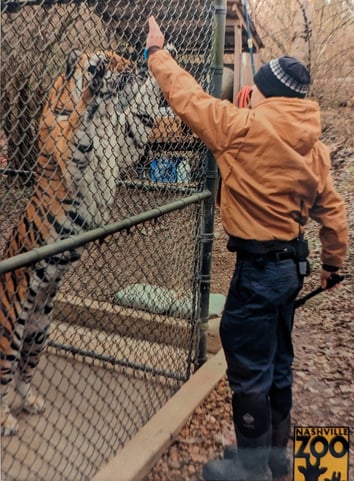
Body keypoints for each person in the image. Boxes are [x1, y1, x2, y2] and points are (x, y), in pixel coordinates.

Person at [145, 16, 349, 481]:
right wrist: (331, 265)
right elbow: (333, 213)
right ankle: (276, 457)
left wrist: (157, 53)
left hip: (258, 271)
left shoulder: (240, 128)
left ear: (265, 93)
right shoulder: (314, 147)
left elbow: (188, 98)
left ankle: (252, 469)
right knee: (279, 358)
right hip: (291, 268)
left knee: (249, 364)